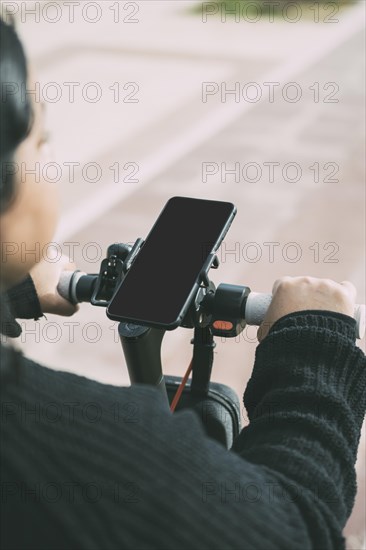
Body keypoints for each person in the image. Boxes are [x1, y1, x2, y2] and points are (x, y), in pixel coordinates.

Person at [1, 17, 365, 550]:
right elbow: (293, 531)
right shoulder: (58, 447)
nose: (50, 157)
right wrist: (317, 352)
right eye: (42, 140)